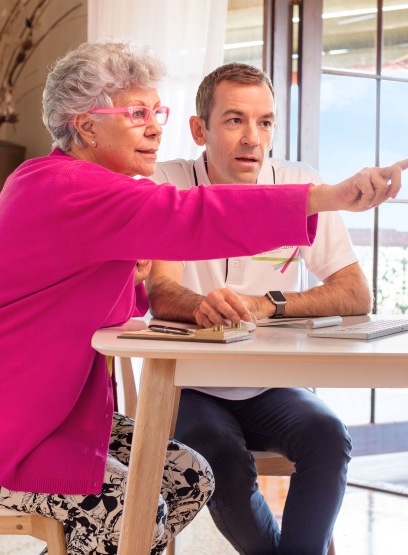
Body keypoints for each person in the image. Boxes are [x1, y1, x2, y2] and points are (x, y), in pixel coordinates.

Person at [0, 40, 408, 555]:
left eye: (158, 111)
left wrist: (133, 273)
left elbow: (93, 307)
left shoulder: (78, 186)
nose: (155, 126)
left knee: (189, 474)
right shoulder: (71, 187)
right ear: (85, 124)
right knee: (127, 507)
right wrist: (329, 197)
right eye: (137, 112)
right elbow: (196, 214)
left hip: (39, 417)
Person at [147, 62, 370, 555]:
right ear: (199, 129)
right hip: (191, 385)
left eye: (264, 122)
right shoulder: (169, 183)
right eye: (234, 120)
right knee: (219, 456)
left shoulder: (302, 185)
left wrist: (269, 304)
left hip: (274, 382)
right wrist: (202, 305)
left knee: (329, 438)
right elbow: (159, 290)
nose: (253, 137)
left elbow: (355, 293)